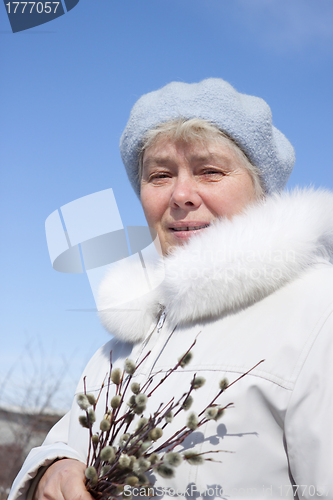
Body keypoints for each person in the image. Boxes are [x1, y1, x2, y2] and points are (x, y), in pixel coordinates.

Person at [8, 78, 333, 500]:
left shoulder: (317, 311)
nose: (181, 194)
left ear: (262, 188)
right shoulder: (127, 337)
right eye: (159, 175)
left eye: (210, 171)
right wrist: (52, 470)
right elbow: (67, 441)